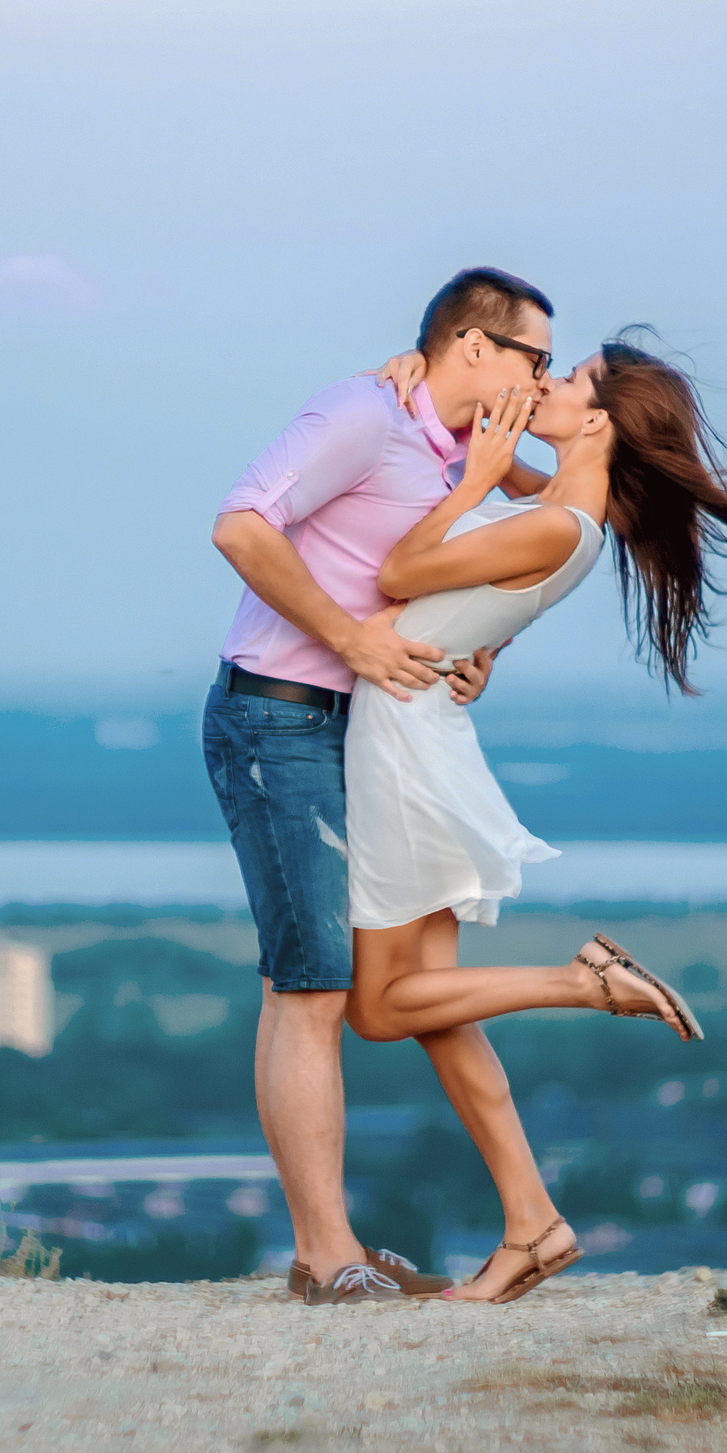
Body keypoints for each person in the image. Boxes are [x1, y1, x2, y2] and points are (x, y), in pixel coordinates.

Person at [346, 332, 727, 1302]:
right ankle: (532, 1224)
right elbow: (509, 495)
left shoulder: (554, 523)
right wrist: (412, 387)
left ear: (601, 419)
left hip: (399, 751)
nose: (545, 383)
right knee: (443, 1019)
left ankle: (583, 982)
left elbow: (399, 573)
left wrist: (464, 481)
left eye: (567, 381)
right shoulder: (565, 509)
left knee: (374, 1009)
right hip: (424, 736)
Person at [204, 267, 560, 1306]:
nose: (542, 378)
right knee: (311, 988)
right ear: (474, 347)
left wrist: (463, 650)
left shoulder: (460, 451)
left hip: (354, 730)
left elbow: (475, 558)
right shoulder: (363, 415)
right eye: (534, 357)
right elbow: (239, 526)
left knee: (311, 988)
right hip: (279, 715)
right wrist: (350, 635)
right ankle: (325, 1255)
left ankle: (334, 1245)